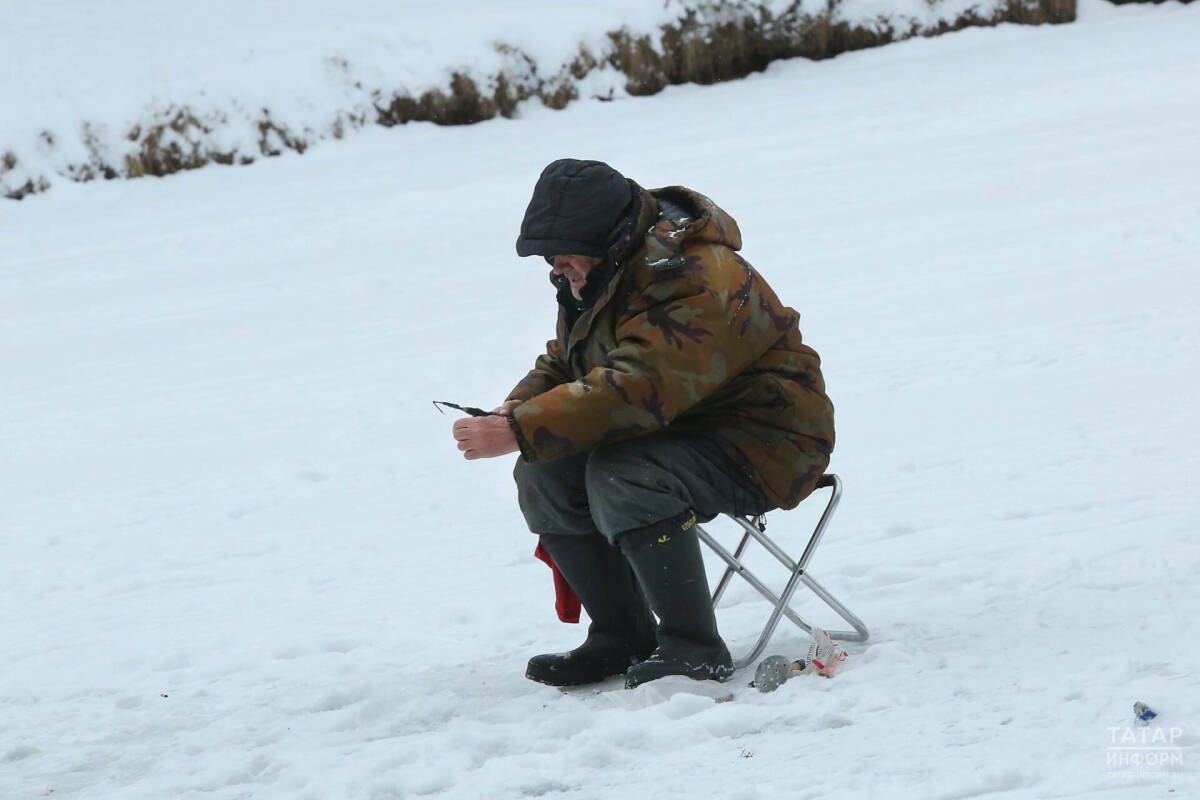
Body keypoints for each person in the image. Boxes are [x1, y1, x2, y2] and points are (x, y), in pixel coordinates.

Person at [452, 158, 834, 689]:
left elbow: (640, 386)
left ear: (607, 238)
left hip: (768, 441)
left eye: (562, 254)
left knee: (624, 474)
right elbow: (569, 359)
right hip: (682, 427)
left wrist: (522, 429)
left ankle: (694, 650)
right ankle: (623, 635)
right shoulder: (604, 270)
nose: (555, 266)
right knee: (543, 473)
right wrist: (515, 409)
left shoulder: (697, 276)